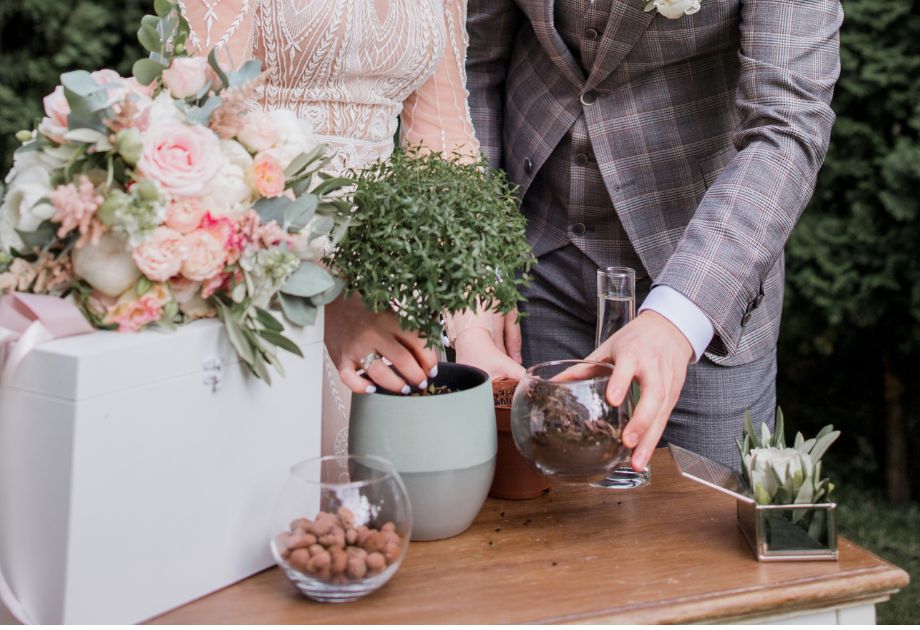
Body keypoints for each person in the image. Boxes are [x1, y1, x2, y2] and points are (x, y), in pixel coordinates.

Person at [460, 0, 843, 470]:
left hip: (701, 279)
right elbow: (470, 65)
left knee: (705, 526)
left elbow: (787, 125)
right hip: (531, 268)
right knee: (539, 528)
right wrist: (479, 261)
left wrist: (680, 317)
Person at [179, 0, 511, 454]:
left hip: (388, 285)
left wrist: (471, 331)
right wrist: (336, 300)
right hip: (263, 273)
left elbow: (443, 141)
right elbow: (206, 125)